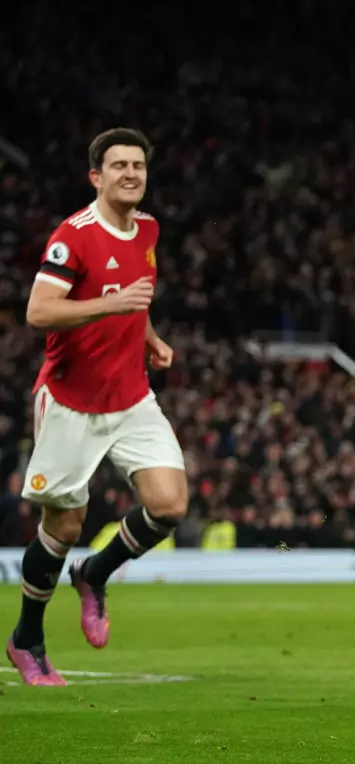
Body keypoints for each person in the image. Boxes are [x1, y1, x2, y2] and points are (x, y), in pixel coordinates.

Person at [8, 128, 188, 686]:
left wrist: (148, 335)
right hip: (71, 401)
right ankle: (27, 640)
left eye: (138, 165)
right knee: (64, 523)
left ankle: (95, 573)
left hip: (131, 395)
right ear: (97, 176)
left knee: (170, 504)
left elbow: (134, 301)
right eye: (118, 166)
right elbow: (40, 311)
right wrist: (109, 305)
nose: (130, 173)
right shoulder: (73, 237)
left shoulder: (149, 230)